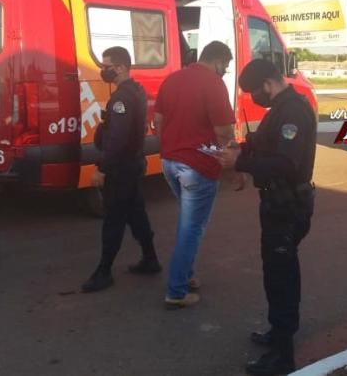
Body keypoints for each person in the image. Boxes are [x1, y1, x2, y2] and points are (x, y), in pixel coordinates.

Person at [216, 59, 317, 376]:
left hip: (288, 206)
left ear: (268, 85)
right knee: (277, 272)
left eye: (252, 92)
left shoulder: (293, 112)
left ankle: (282, 357)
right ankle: (280, 331)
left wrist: (240, 164)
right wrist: (241, 148)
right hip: (277, 204)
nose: (252, 98)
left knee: (281, 277)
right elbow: (266, 144)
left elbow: (286, 164)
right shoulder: (281, 108)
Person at [153, 40, 236, 309]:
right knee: (191, 229)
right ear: (219, 60)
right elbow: (224, 131)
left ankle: (186, 275)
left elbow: (158, 123)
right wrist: (233, 166)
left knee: (189, 221)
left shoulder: (173, 79)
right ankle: (176, 291)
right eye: (226, 65)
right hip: (197, 167)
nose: (225, 70)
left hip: (169, 162)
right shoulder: (213, 83)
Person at [81, 46, 161, 293]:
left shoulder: (121, 98)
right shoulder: (135, 90)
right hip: (133, 164)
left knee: (113, 220)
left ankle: (104, 272)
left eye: (106, 66)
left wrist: (102, 168)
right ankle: (150, 259)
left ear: (121, 68)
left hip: (121, 168)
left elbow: (117, 138)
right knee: (136, 214)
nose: (102, 70)